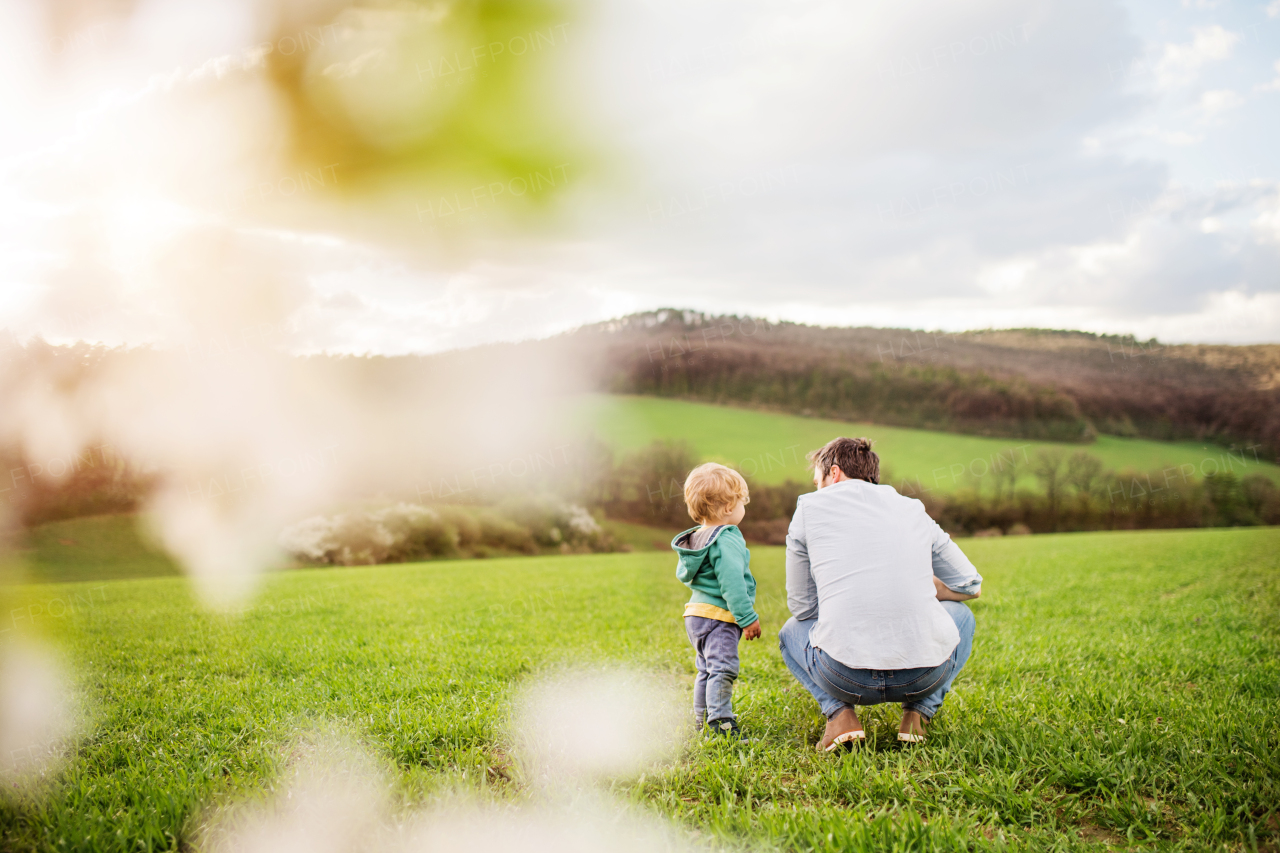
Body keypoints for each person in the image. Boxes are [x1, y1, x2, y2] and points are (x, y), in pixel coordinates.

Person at [779, 437, 982, 751]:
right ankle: (918, 715)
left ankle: (840, 716)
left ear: (833, 474)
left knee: (791, 631)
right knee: (962, 617)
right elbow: (971, 585)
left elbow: (802, 607)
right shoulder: (913, 508)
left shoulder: (809, 508)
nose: (817, 487)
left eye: (818, 481)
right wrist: (936, 589)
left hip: (844, 677)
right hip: (924, 675)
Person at [671, 462, 762, 738]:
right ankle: (721, 723)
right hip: (719, 617)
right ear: (727, 508)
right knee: (722, 670)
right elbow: (732, 582)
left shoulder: (697, 538)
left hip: (695, 615)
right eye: (741, 503)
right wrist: (747, 618)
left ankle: (701, 719)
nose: (743, 509)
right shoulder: (726, 538)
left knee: (705, 670)